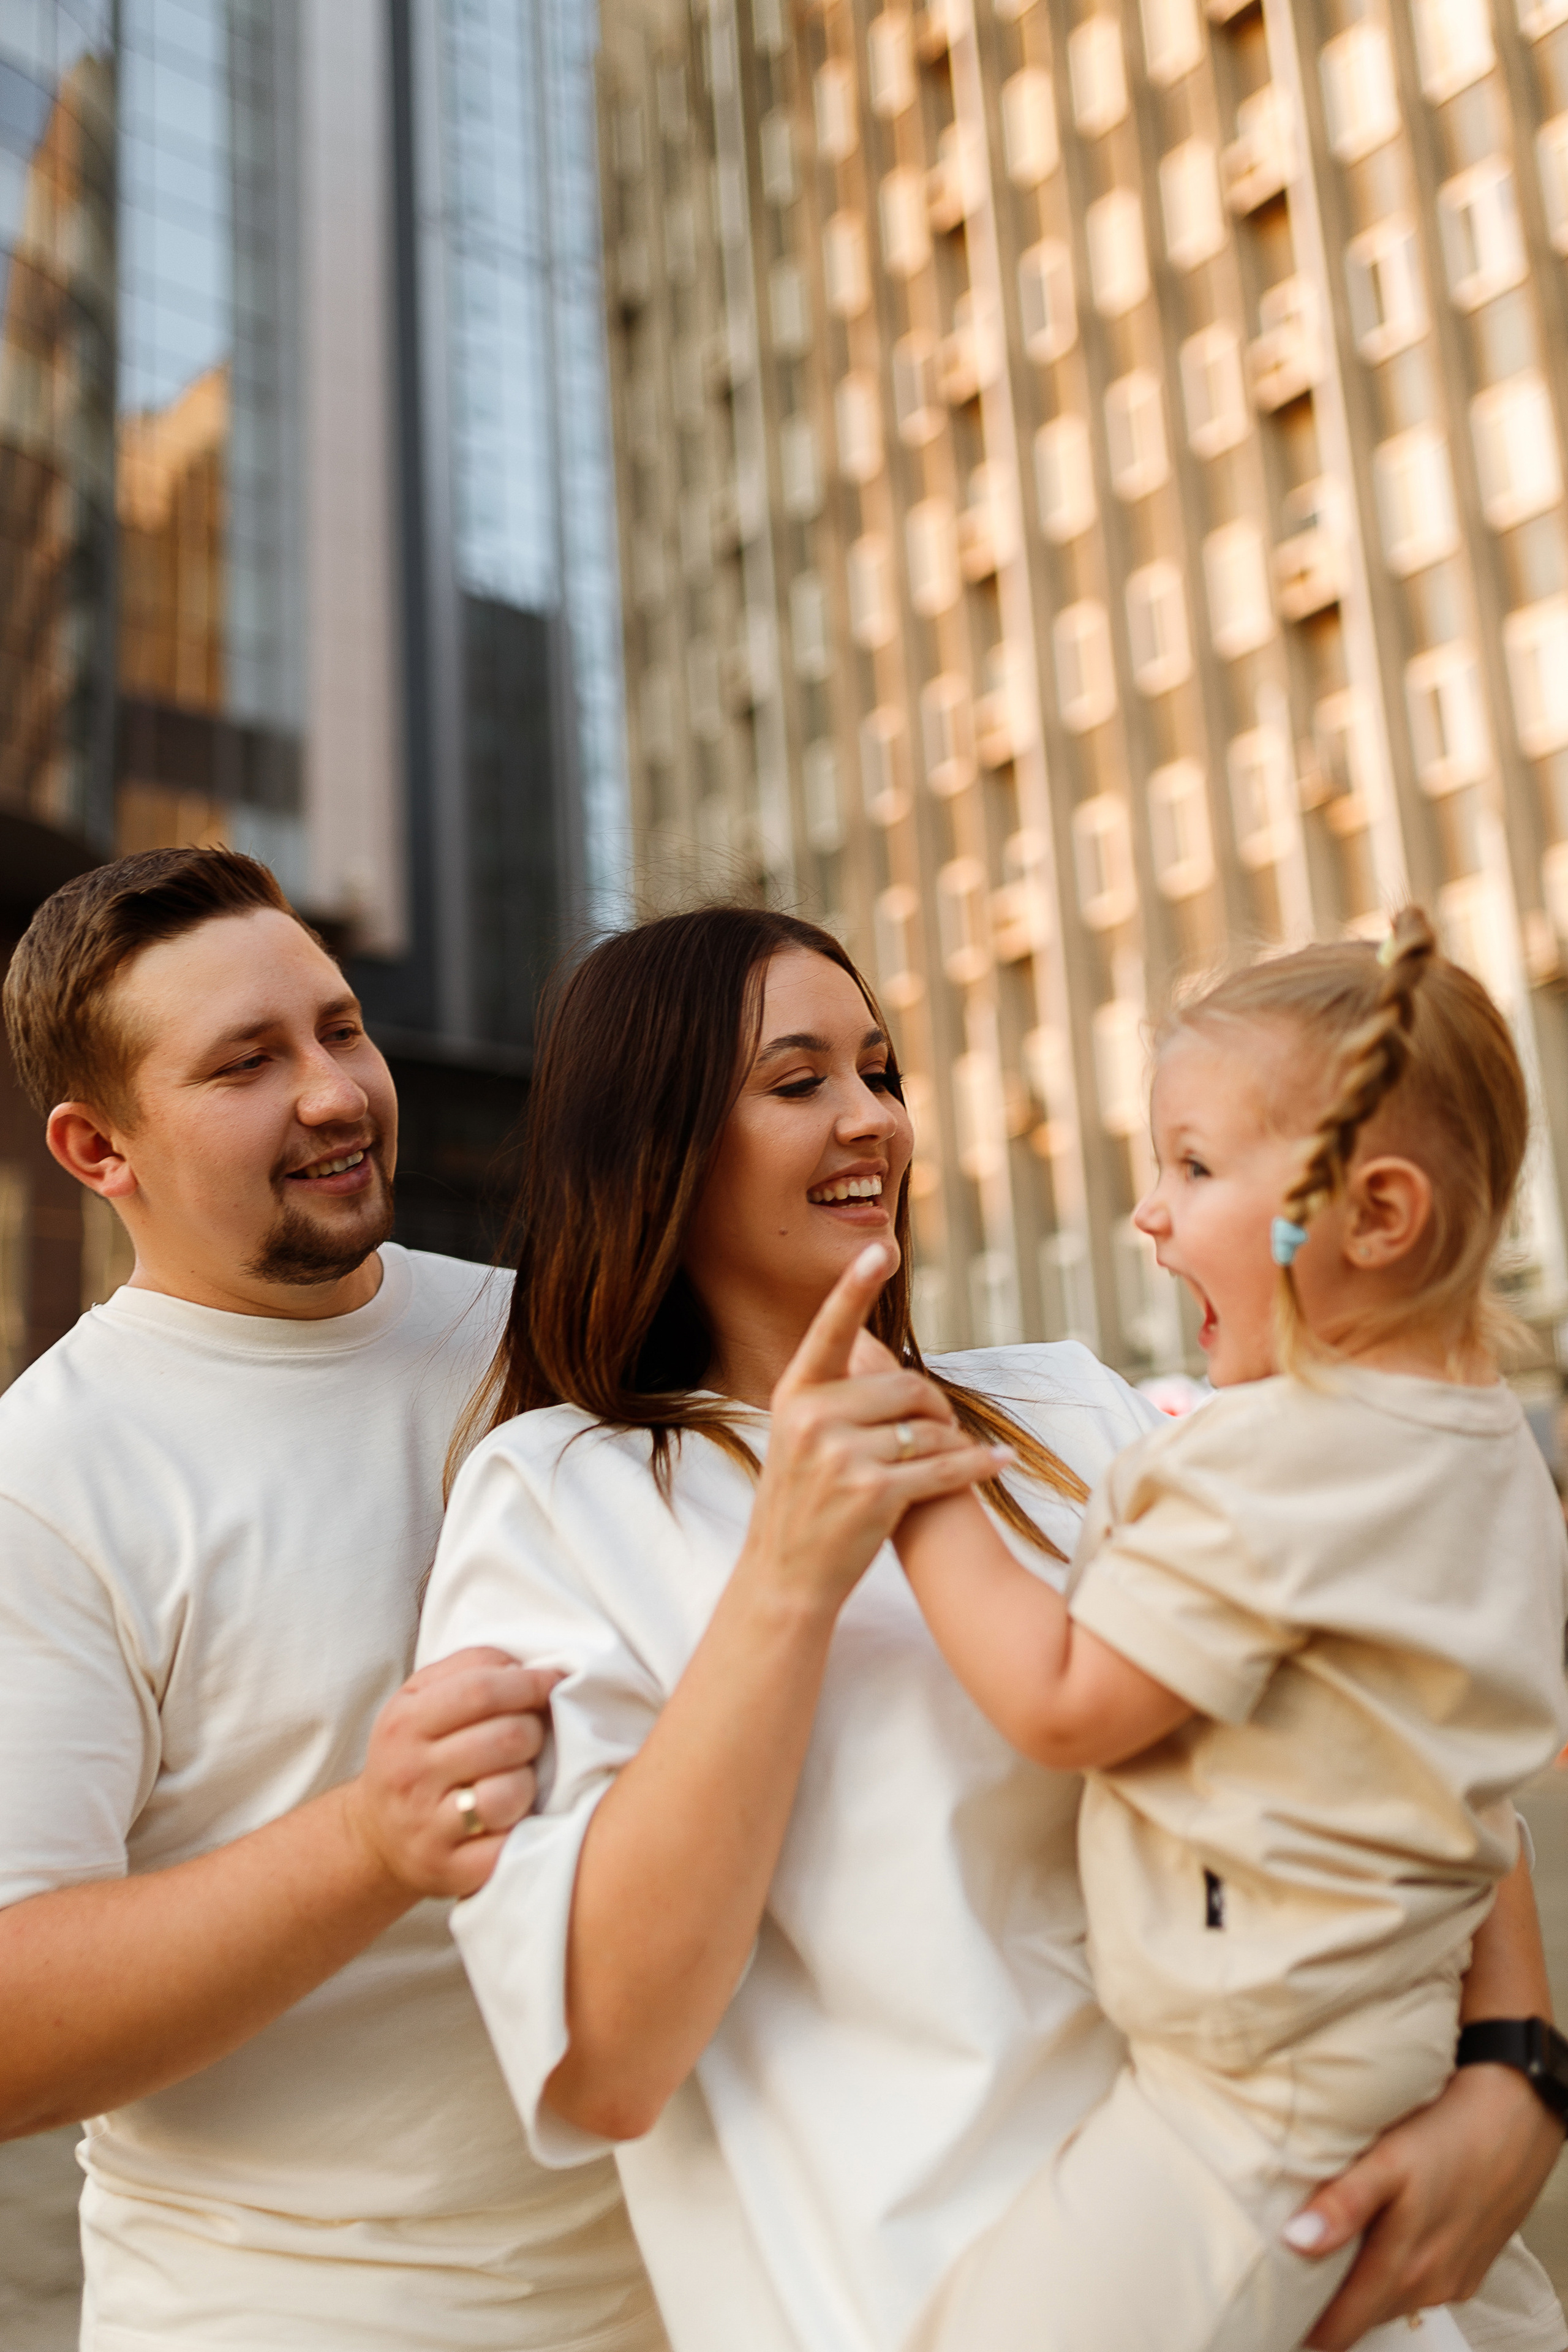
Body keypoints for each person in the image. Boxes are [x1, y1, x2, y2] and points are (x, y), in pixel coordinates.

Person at [417, 905, 1566, 2352]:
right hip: (943, 2298)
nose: (871, 1120)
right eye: (798, 1081)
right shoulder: (559, 1496)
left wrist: (1516, 2066)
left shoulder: (1068, 1406)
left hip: (1324, 2257)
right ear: (655, 1150)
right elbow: (604, 2062)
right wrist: (788, 1577)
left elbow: (1383, 1726)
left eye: (879, 1072)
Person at [0, 848, 663, 2351]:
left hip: (687, 2289)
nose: (333, 1093)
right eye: (246, 1063)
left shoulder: (554, 1334)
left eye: (340, 1029)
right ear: (98, 1150)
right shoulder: (47, 1482)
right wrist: (370, 1840)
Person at [884, 911, 1568, 2351]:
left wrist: (922, 1491)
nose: (1149, 1214)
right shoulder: (1475, 1445)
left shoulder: (1284, 1461)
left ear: (1374, 1218)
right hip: (1369, 2039)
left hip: (1256, 2088)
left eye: (1192, 1169)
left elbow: (1063, 1701)